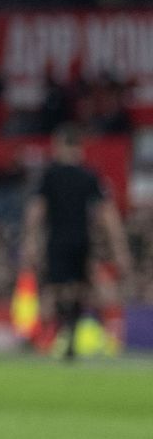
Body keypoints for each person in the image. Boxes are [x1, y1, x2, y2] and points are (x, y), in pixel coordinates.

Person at [24, 125, 133, 359]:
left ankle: (56, 335)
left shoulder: (49, 175)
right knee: (81, 289)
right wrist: (119, 248)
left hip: (57, 239)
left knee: (54, 290)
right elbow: (108, 215)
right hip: (82, 239)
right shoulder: (90, 175)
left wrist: (31, 242)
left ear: (59, 145)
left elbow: (36, 211)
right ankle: (73, 331)